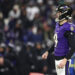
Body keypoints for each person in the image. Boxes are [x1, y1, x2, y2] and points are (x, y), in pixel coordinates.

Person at [42, 4, 75, 75]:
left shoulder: (68, 28)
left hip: (63, 59)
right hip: (57, 59)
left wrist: (65, 60)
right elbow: (58, 42)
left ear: (64, 14)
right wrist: (48, 51)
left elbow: (73, 47)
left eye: (59, 12)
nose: (57, 14)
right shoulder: (58, 25)